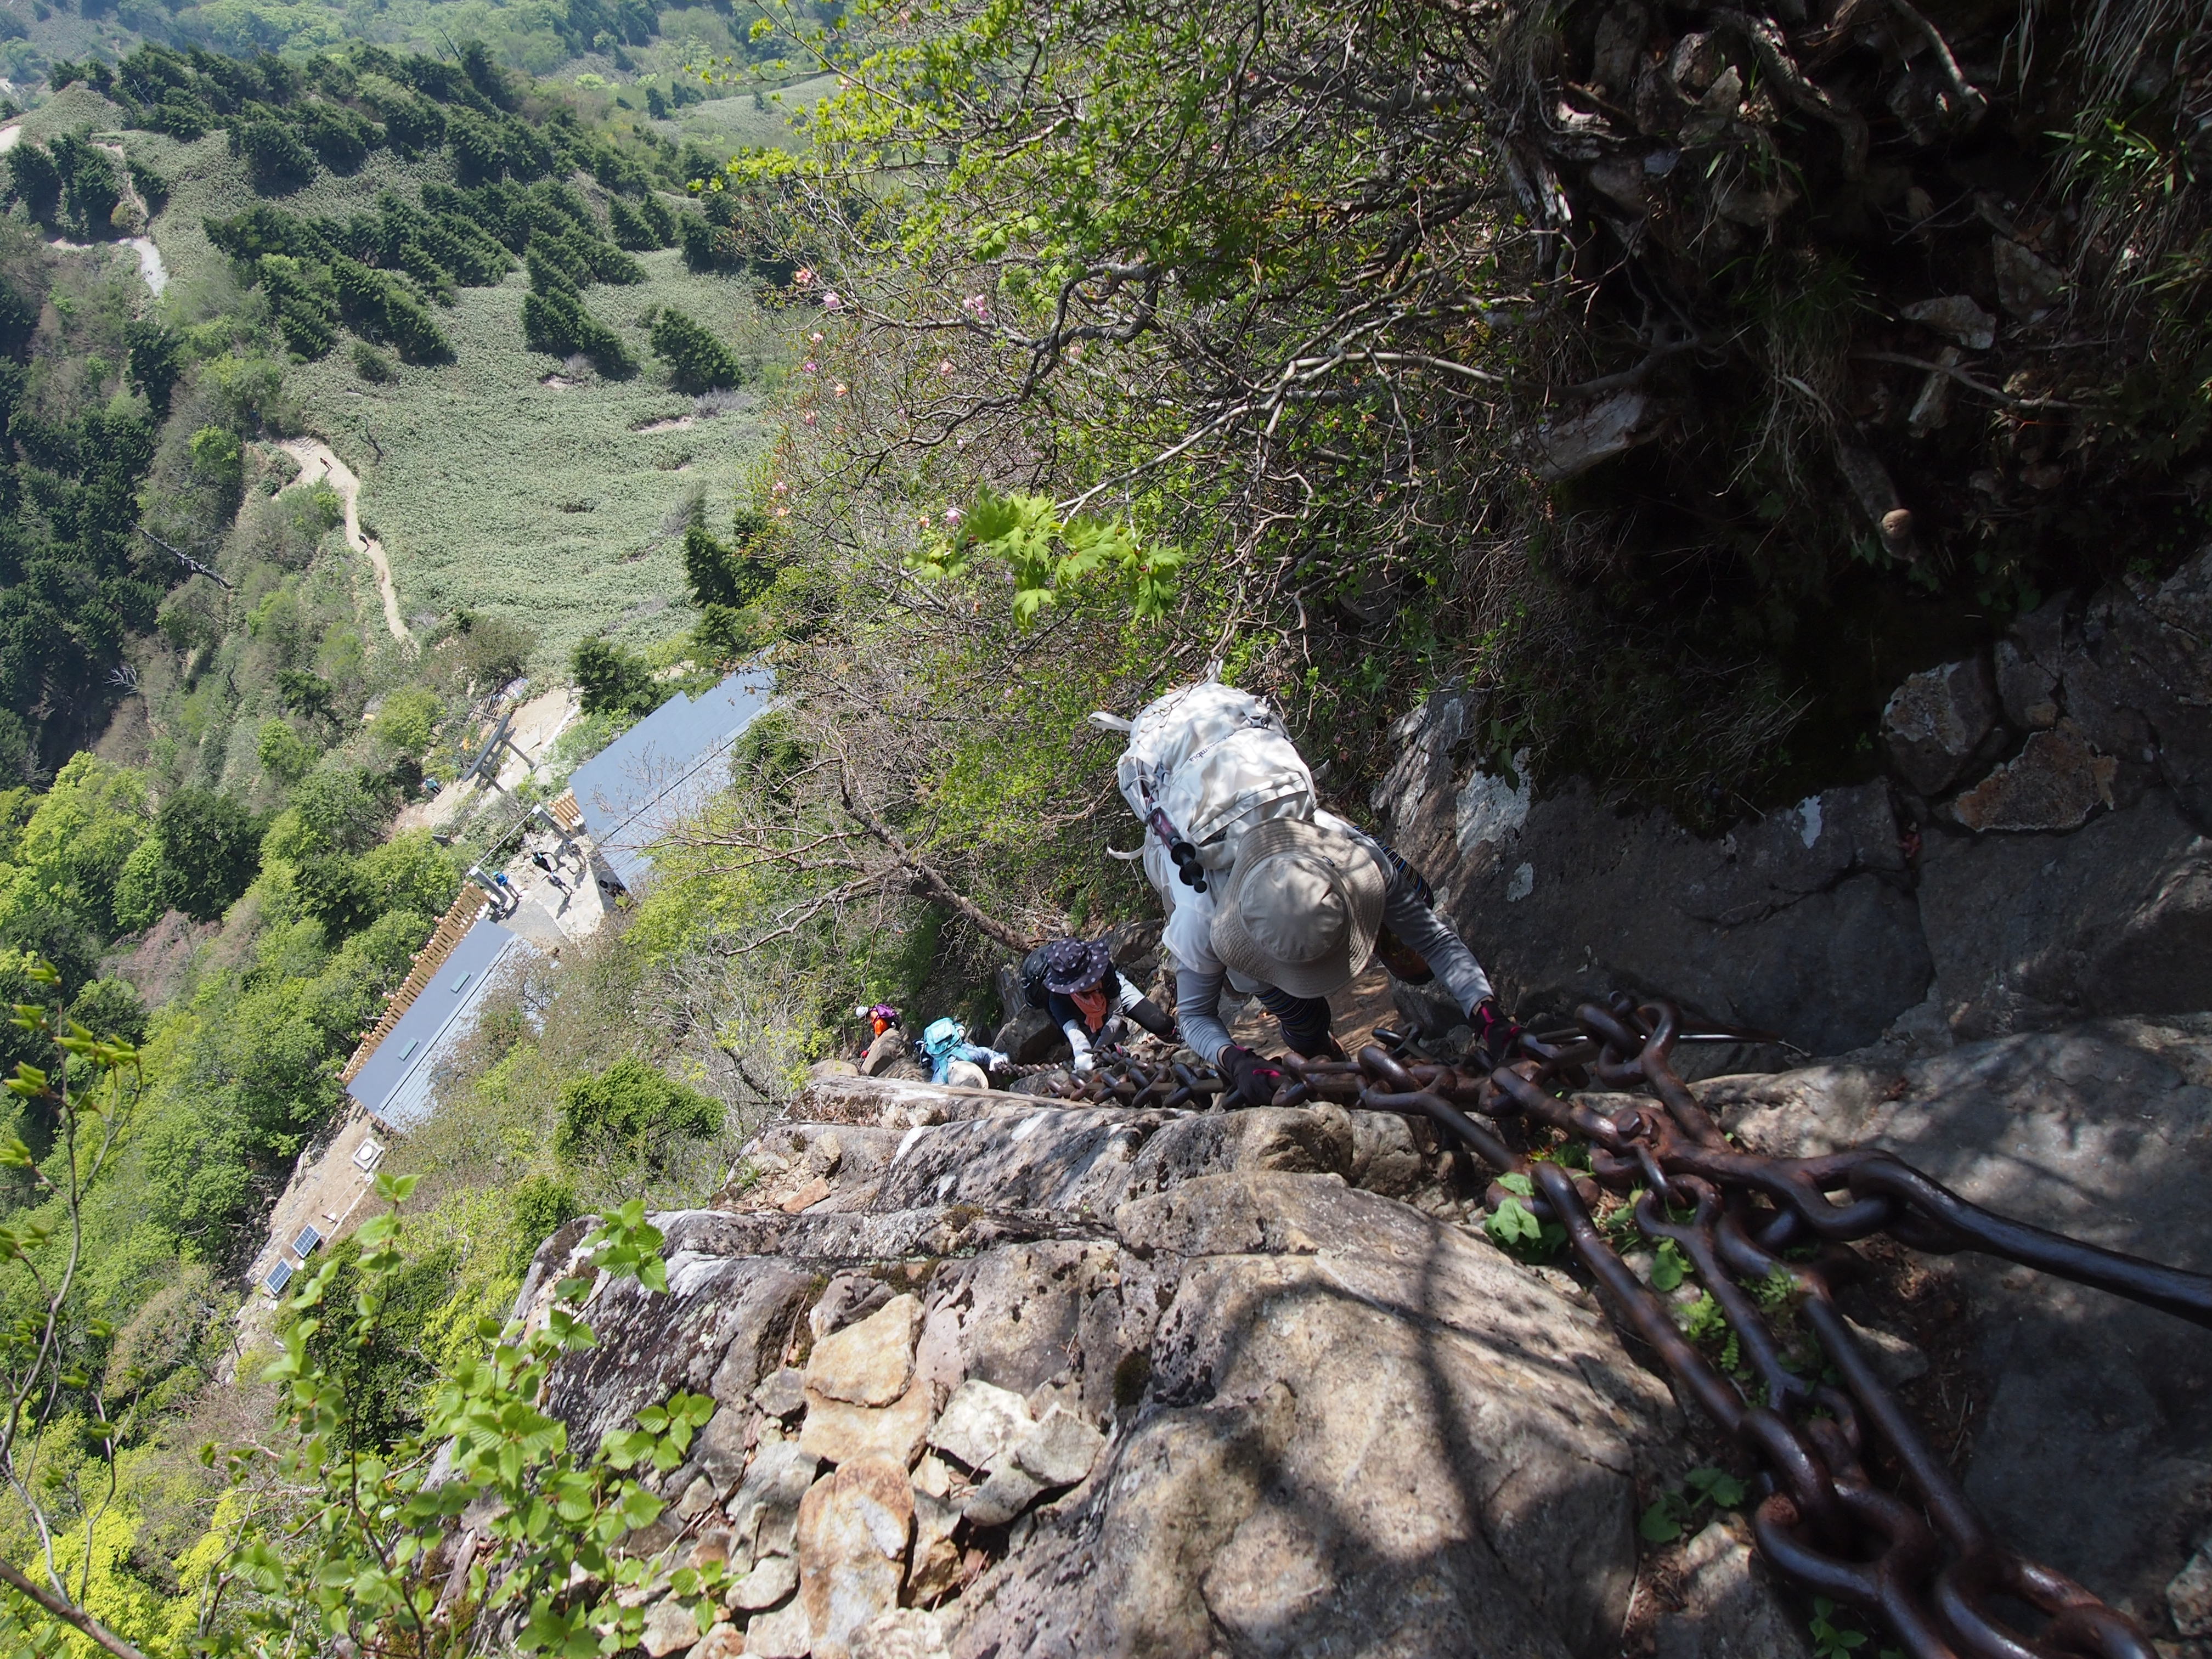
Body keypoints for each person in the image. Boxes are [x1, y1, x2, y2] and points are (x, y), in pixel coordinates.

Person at [1167, 813, 1520, 1106]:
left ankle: (1381, 930)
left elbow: (1433, 939)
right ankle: (1323, 1052)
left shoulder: (1355, 857)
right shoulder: (1200, 921)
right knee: (1307, 1024)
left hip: (1314, 851)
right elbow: (1194, 1016)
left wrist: (1488, 1015)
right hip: (1243, 930)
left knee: (1417, 909)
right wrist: (1235, 1059)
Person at [1020, 939, 1175, 1075]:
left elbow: (1116, 1013)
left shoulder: (1103, 968)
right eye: (1086, 983)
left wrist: (1099, 1047)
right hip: (1077, 1012)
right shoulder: (1057, 1001)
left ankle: (1174, 1035)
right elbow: (1077, 1037)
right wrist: (1085, 1055)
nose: (1093, 980)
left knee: (1162, 1023)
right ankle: (1116, 1051)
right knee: (1101, 1056)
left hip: (1111, 994)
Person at [918, 1017, 1009, 1087]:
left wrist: (998, 1061)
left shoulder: (940, 1079)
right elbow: (992, 1054)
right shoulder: (969, 1053)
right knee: (927, 1074)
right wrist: (999, 1060)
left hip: (935, 1060)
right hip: (932, 1063)